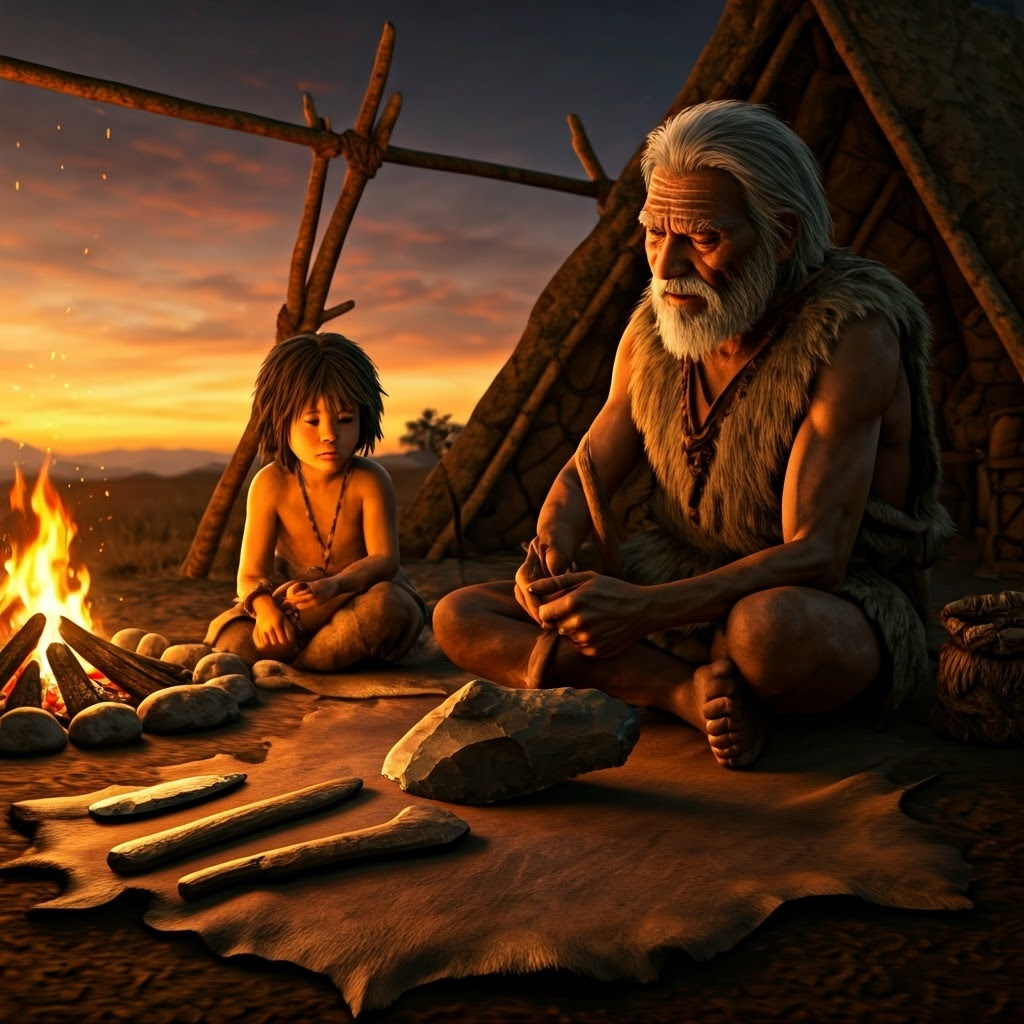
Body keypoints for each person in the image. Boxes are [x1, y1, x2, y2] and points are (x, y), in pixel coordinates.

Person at [433, 100, 953, 768]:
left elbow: (817, 554)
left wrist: (644, 612)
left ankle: (684, 669)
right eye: (655, 233)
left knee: (768, 635)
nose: (665, 265)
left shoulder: (848, 335)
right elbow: (586, 466)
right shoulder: (651, 331)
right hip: (670, 581)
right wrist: (552, 551)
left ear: (781, 235)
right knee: (460, 616)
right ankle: (683, 690)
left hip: (829, 600)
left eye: (702, 238)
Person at [205, 332, 426, 670]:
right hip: (296, 605)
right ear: (281, 420)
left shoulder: (370, 479)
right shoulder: (269, 484)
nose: (329, 434)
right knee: (234, 639)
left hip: (359, 594)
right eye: (312, 421)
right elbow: (249, 574)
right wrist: (265, 611)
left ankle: (299, 665)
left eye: (345, 419)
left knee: (387, 609)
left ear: (364, 417)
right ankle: (317, 659)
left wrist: (335, 585)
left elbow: (384, 560)